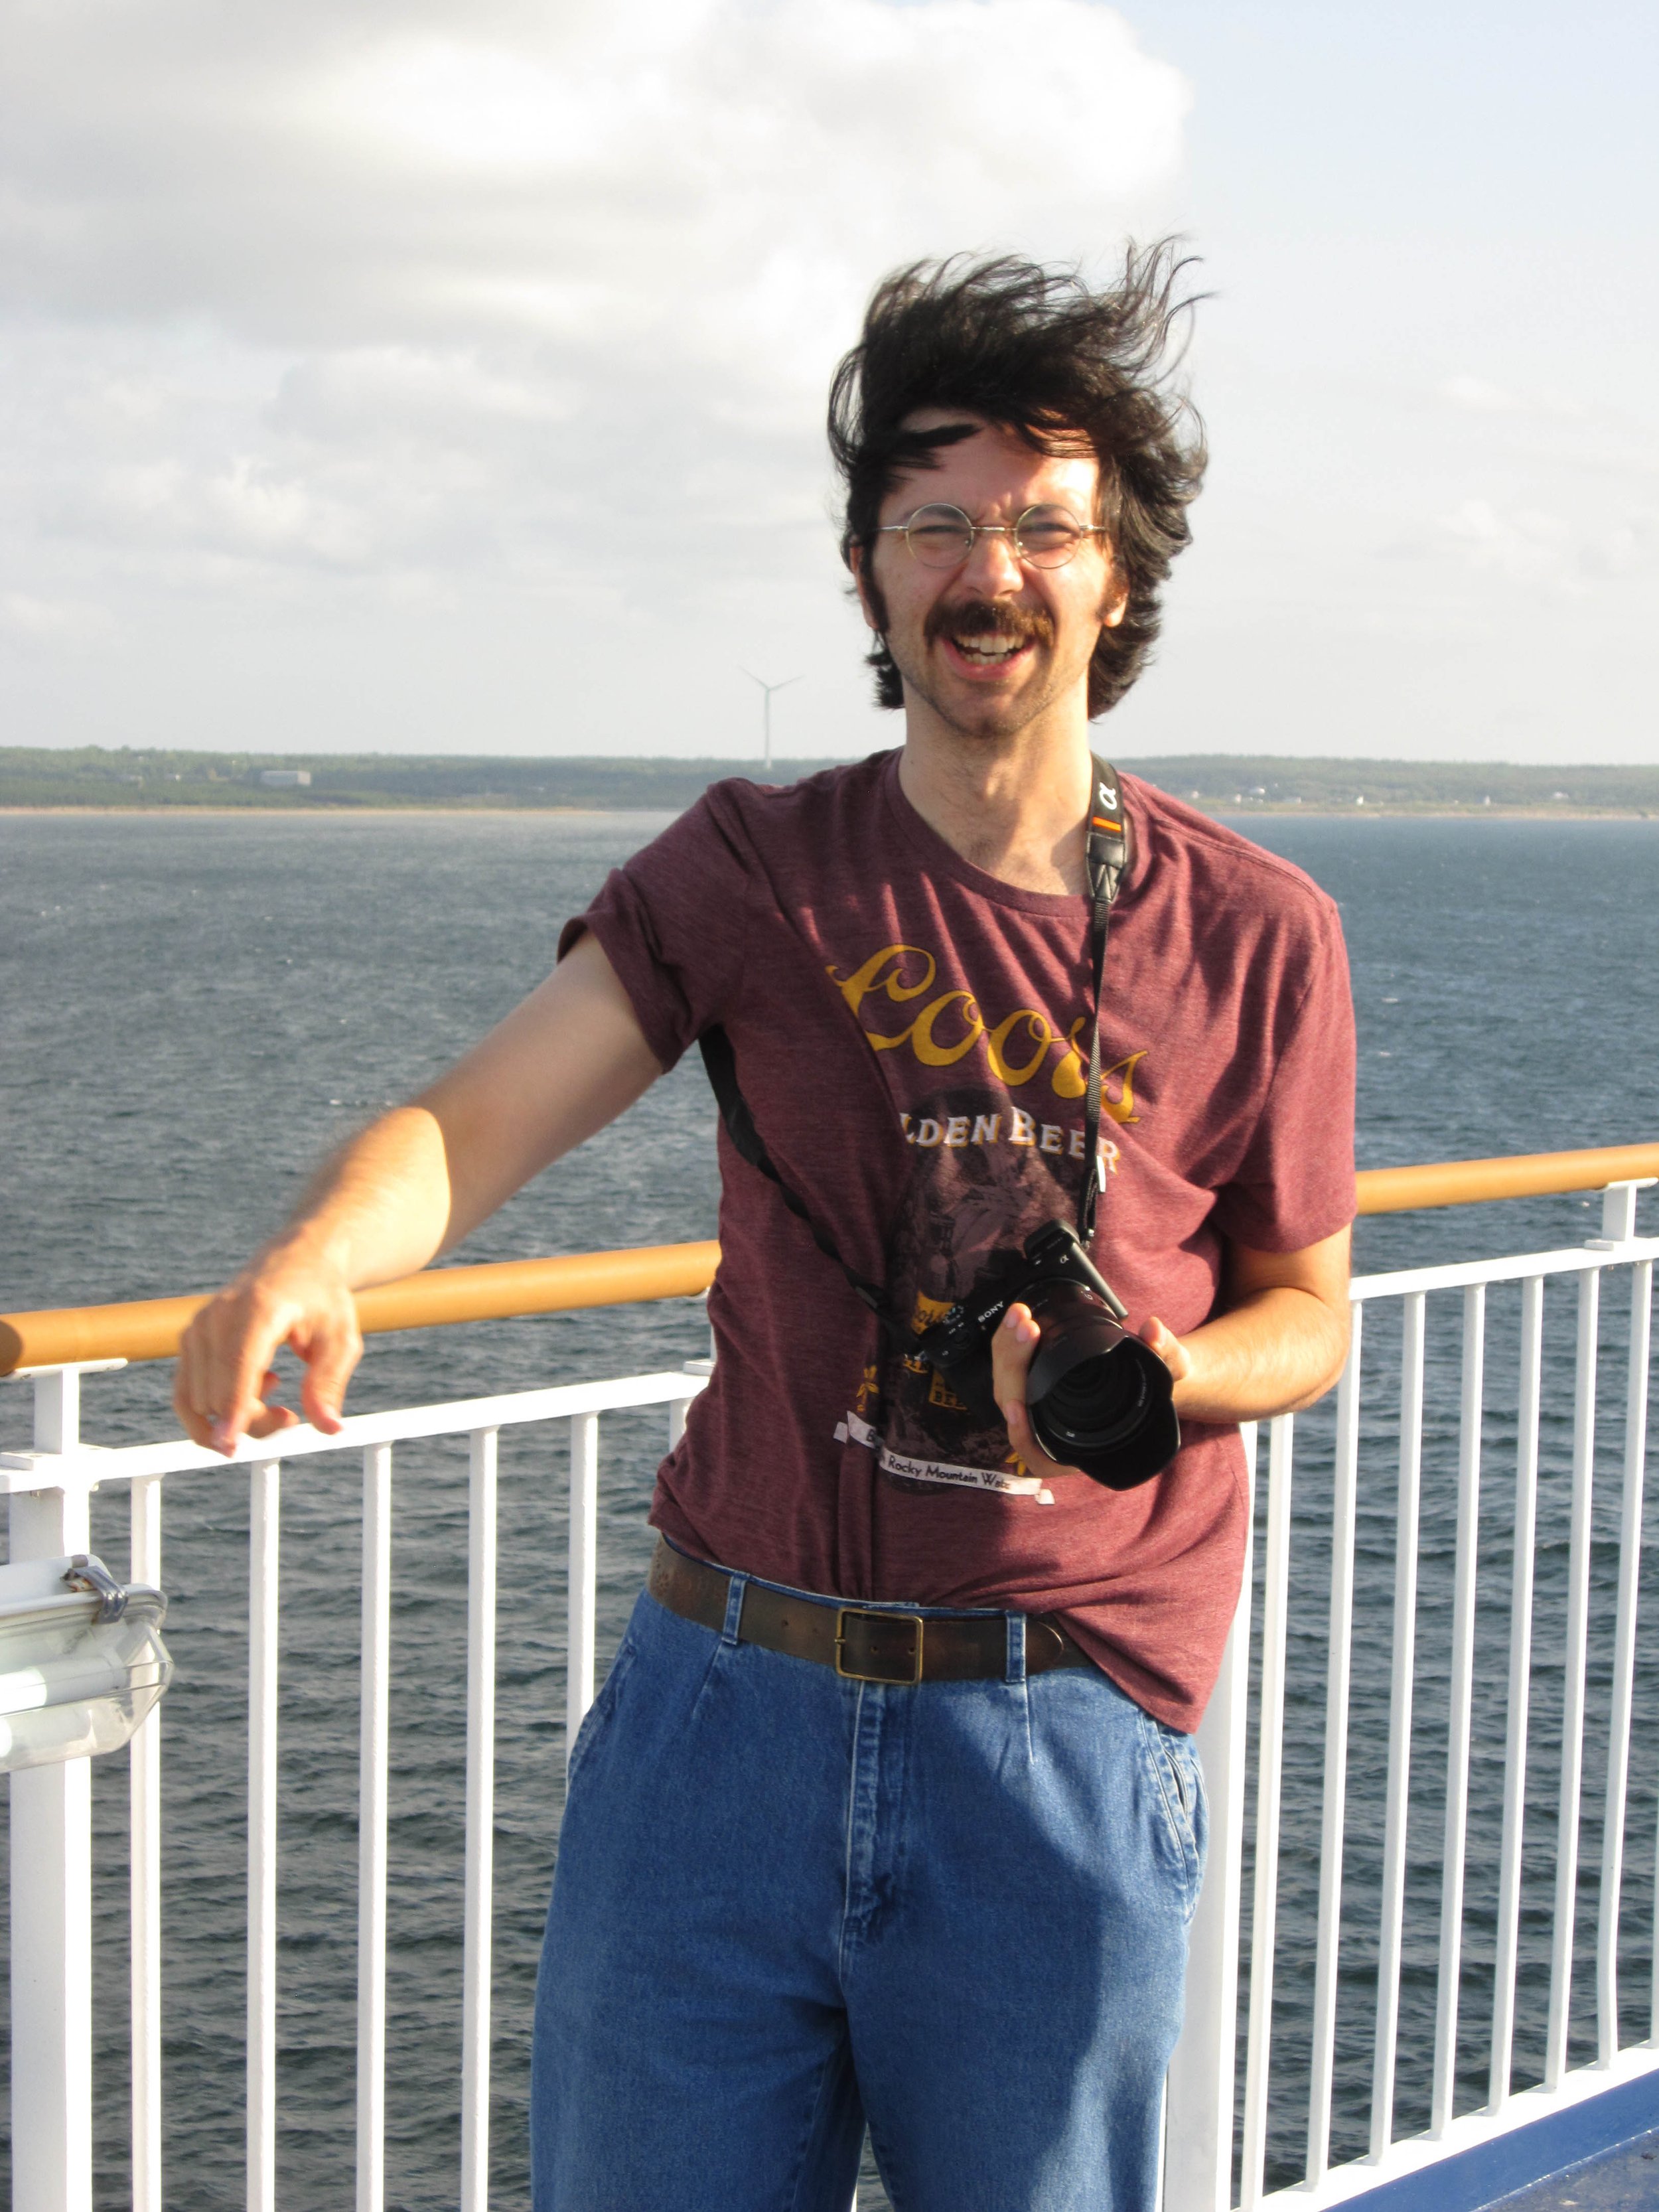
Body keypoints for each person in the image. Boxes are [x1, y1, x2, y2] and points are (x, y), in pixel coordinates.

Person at [176, 246, 1356, 2211]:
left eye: (1043, 529)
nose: (989, 572)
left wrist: (1159, 1378)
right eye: (935, 523)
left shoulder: (1256, 933)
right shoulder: (750, 874)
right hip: (725, 1719)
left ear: (1119, 577)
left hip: (1053, 1729)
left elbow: (1304, 1311)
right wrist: (314, 1255)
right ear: (874, 575)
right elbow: (474, 1123)